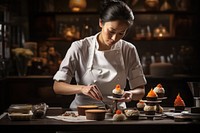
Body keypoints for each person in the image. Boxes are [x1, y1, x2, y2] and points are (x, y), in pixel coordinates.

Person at [53, 0, 147, 111]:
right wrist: (82, 88)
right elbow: (58, 87)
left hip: (116, 113)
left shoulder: (128, 49)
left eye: (121, 33)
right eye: (111, 31)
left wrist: (131, 94)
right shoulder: (79, 47)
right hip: (83, 113)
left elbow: (140, 91)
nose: (114, 38)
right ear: (101, 23)